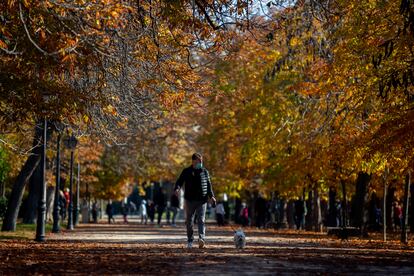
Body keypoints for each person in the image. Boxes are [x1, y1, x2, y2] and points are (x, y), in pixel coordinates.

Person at [174, 153, 216, 249]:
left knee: (201, 220)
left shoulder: (205, 172)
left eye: (201, 161)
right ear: (193, 161)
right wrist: (177, 189)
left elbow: (209, 186)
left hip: (202, 200)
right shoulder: (186, 171)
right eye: (198, 161)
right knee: (189, 221)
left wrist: (212, 196)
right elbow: (179, 181)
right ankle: (190, 240)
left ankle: (202, 239)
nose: (200, 162)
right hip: (189, 200)